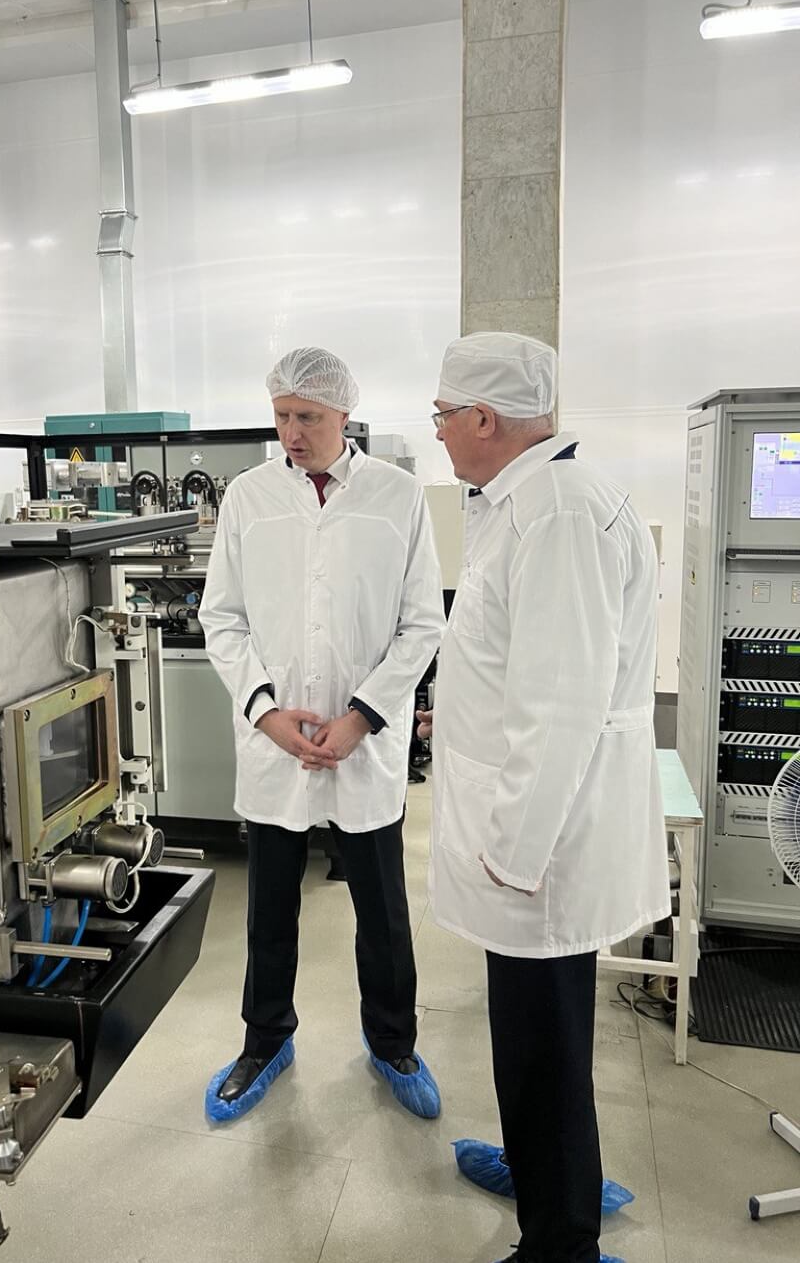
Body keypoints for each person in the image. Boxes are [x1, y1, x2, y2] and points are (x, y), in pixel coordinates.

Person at [420, 332, 670, 1263]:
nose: (438, 431)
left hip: (542, 849)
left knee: (547, 1042)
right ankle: (542, 1171)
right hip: (528, 836)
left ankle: (561, 1239)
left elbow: (561, 707)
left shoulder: (557, 514)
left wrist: (514, 851)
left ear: (485, 418)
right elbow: (516, 659)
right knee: (530, 1030)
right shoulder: (524, 500)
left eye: (444, 415)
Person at [199, 346, 446, 1123]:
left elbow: (422, 623)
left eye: (307, 416)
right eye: (281, 415)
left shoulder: (397, 497)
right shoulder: (248, 497)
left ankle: (394, 1042)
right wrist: (267, 713)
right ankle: (265, 1040)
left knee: (383, 912)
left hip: (362, 744)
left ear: (344, 413)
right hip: (275, 742)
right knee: (269, 910)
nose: (292, 432)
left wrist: (361, 717)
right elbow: (221, 617)